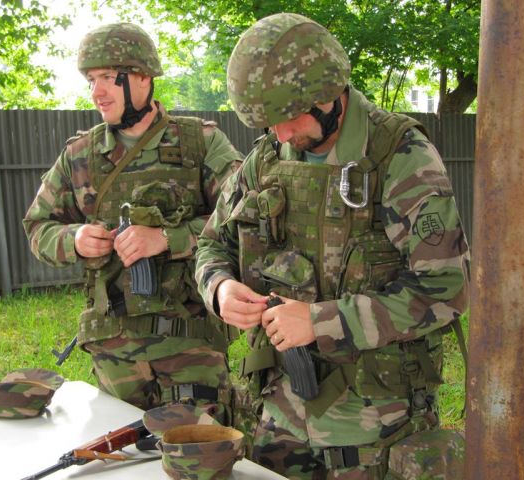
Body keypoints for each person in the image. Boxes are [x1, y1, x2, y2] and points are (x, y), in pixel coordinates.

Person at [195, 13, 470, 479]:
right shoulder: (266, 159)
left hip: (373, 428)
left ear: (327, 95)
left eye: (288, 118)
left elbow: (446, 289)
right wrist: (219, 287)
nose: (280, 134)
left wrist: (321, 321)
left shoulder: (398, 156)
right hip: (276, 418)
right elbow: (211, 244)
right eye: (269, 123)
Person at [23, 23, 243, 421]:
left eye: (109, 77)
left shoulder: (201, 143)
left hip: (190, 348)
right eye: (91, 80)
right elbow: (38, 228)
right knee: (120, 450)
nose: (97, 91)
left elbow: (244, 221)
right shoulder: (80, 155)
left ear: (143, 76)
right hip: (115, 354)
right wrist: (75, 238)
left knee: (200, 449)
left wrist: (169, 238)